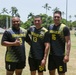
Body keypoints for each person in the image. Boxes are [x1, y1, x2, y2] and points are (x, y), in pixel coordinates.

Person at [48, 11, 71, 75]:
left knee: (61, 73)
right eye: (55, 17)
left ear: (61, 18)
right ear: (53, 18)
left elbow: (68, 42)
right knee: (51, 72)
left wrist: (67, 55)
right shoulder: (50, 27)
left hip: (60, 56)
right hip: (52, 55)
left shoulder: (64, 28)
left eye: (58, 17)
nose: (56, 18)